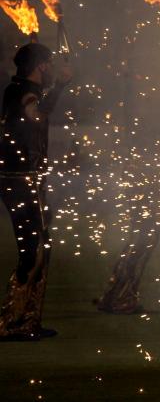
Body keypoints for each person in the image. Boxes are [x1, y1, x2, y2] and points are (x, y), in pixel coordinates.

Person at [0, 43, 72, 340]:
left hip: (26, 180)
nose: (52, 67)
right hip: (21, 180)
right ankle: (9, 322)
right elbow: (37, 113)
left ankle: (27, 320)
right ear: (41, 65)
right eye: (50, 64)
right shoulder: (23, 93)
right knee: (33, 251)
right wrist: (60, 86)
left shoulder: (14, 89)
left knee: (40, 248)